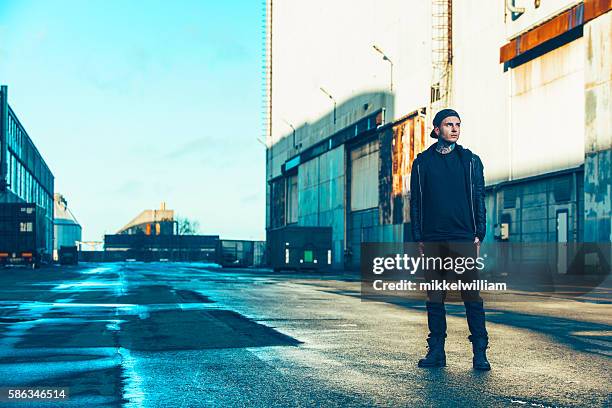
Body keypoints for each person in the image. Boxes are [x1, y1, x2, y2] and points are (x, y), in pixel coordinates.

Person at [409, 108, 491, 371]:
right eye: (448, 124)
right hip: (433, 238)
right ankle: (436, 352)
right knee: (435, 297)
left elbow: (479, 197)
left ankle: (480, 352)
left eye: (457, 124)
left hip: (463, 238)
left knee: (472, 297)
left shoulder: (470, 161)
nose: (454, 129)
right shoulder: (422, 163)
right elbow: (417, 203)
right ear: (436, 130)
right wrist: (418, 237)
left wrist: (480, 233)